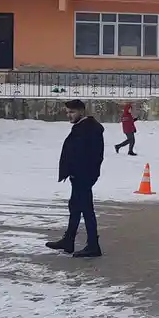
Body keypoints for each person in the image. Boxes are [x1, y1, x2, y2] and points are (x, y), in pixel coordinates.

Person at [46, 99, 105, 258]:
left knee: (86, 210)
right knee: (75, 207)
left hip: (83, 176)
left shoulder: (88, 129)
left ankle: (93, 245)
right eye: (68, 112)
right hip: (80, 176)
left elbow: (90, 155)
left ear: (82, 112)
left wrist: (78, 172)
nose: (69, 115)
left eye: (72, 112)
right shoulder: (83, 128)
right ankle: (69, 240)